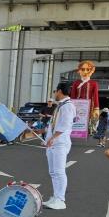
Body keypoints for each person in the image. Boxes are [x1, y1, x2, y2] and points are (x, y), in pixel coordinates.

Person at [31, 82, 74, 210]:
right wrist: (44, 133)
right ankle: (56, 197)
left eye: (55, 91)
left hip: (59, 143)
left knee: (59, 171)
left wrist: (52, 138)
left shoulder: (68, 106)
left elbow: (65, 125)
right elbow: (54, 124)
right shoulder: (60, 106)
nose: (54, 94)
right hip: (53, 142)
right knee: (53, 172)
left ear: (60, 91)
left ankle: (61, 200)